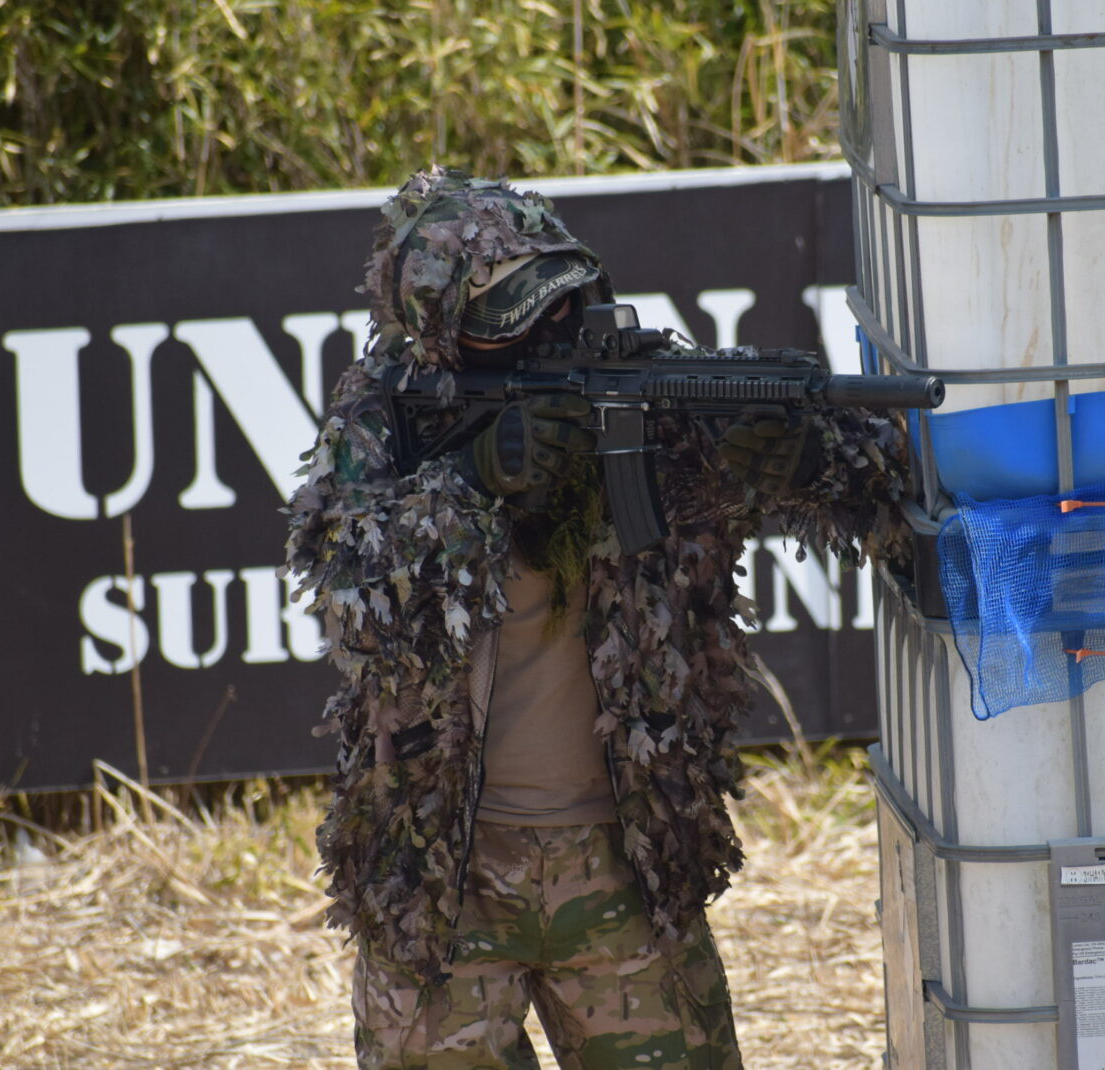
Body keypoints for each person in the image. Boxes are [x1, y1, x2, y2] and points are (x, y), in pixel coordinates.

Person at [286, 166, 909, 1069]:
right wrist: (471, 482)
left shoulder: (648, 391)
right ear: (441, 327)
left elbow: (870, 482)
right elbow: (349, 595)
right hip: (438, 878)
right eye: (511, 322)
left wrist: (804, 454)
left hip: (629, 866)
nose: (548, 335)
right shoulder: (388, 409)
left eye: (559, 307)